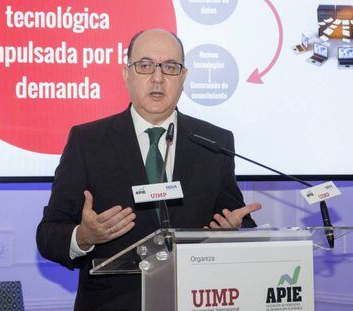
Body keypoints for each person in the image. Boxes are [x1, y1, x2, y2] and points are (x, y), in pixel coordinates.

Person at [36, 29, 261, 311]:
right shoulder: (88, 141)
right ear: (126, 73)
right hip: (113, 304)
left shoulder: (215, 142)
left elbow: (233, 217)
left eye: (170, 67)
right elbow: (48, 235)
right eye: (145, 66)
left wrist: (234, 229)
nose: (157, 78)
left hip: (195, 300)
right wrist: (83, 236)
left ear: (183, 77)